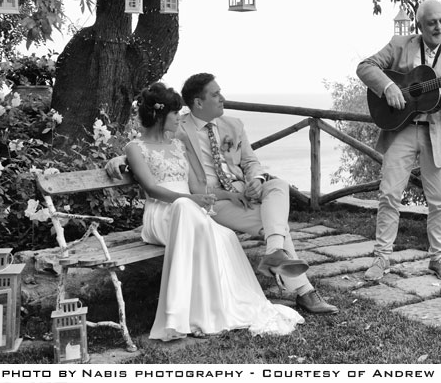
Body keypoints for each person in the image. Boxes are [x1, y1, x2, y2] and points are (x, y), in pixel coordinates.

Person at [107, 73, 338, 315]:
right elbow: (152, 146)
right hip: (213, 200)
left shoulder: (234, 125)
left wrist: (256, 181)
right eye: (215, 95)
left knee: (278, 185)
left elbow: (251, 162)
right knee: (276, 226)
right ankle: (302, 289)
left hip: (243, 193)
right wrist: (121, 158)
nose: (222, 98)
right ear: (198, 103)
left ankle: (274, 253)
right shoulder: (179, 127)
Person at [124, 82, 304, 340]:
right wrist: (190, 199)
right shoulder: (135, 148)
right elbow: (152, 189)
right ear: (160, 116)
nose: (178, 118)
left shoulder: (177, 145)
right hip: (162, 214)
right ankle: (179, 316)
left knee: (224, 236)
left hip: (190, 210)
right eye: (175, 114)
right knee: (187, 208)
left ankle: (214, 310)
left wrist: (222, 195)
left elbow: (198, 186)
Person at [356, 0, 441, 283]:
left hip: (438, 133)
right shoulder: (400, 44)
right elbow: (365, 66)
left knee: (439, 200)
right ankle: (381, 257)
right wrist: (387, 87)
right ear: (419, 25)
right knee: (389, 194)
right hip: (401, 129)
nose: (439, 27)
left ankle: (439, 259)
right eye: (432, 22)